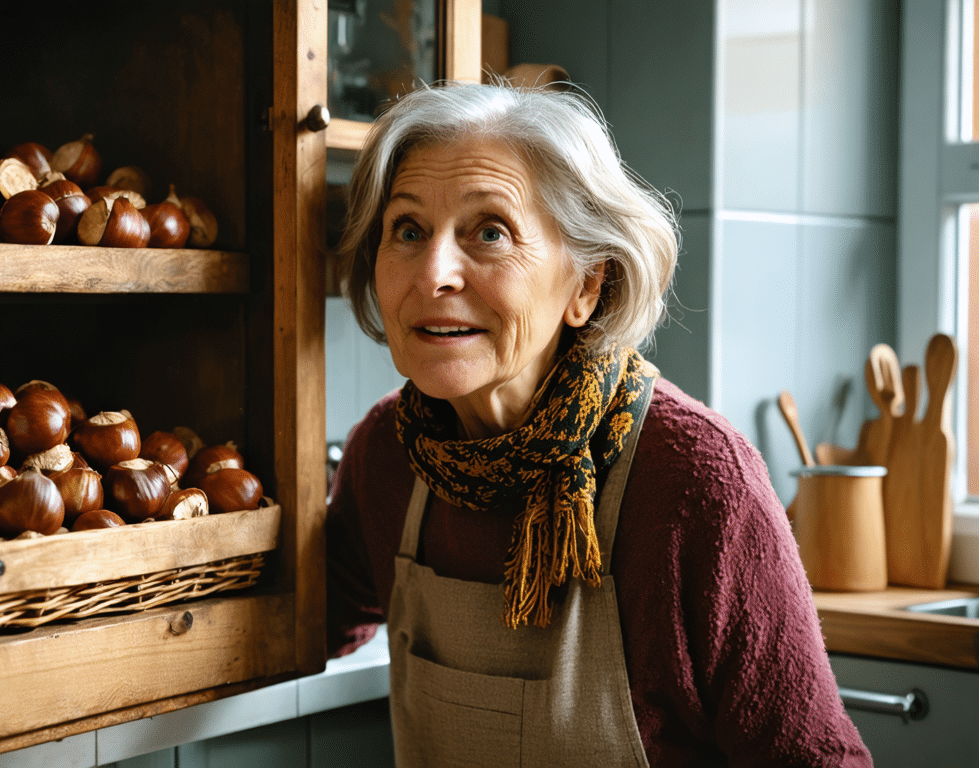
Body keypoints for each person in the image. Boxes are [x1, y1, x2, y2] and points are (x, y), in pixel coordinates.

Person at [325, 81, 872, 766]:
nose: (434, 273)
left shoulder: (695, 480)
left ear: (587, 283)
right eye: (408, 230)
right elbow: (305, 620)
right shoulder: (388, 456)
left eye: (490, 231)